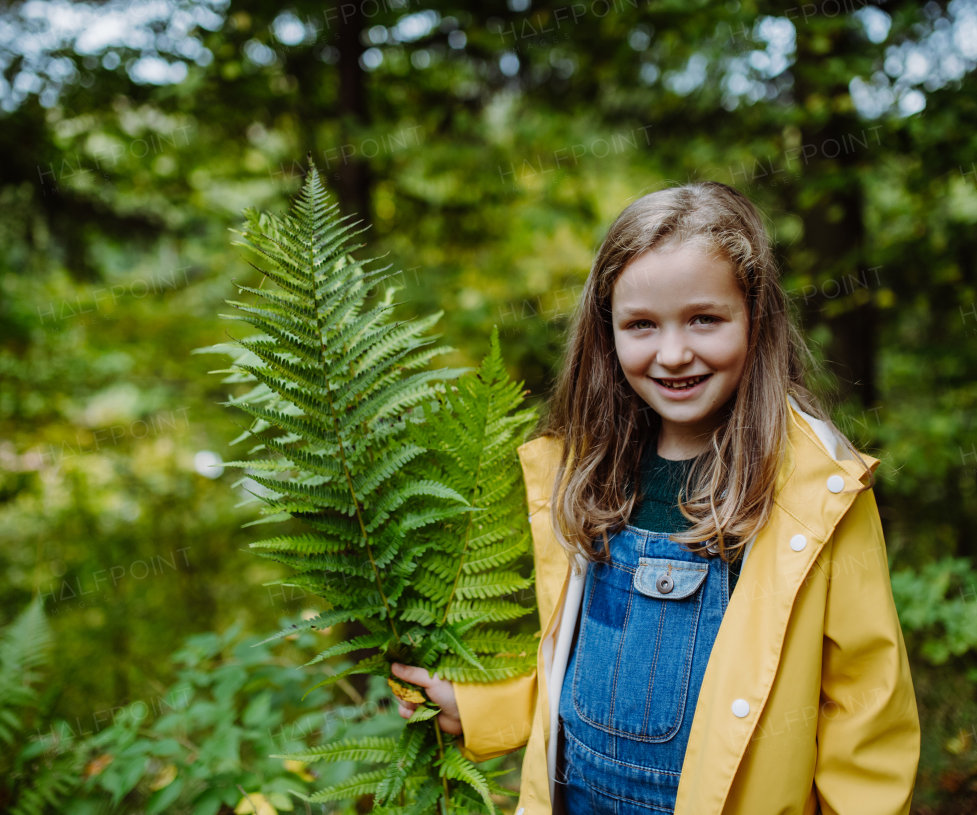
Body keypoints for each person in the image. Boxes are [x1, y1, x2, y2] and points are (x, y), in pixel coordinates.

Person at [390, 182, 920, 815]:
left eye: (704, 318)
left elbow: (866, 710)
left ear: (755, 315)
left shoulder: (816, 490)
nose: (674, 354)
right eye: (641, 325)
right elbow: (581, 667)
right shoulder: (585, 471)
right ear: (606, 333)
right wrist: (485, 707)